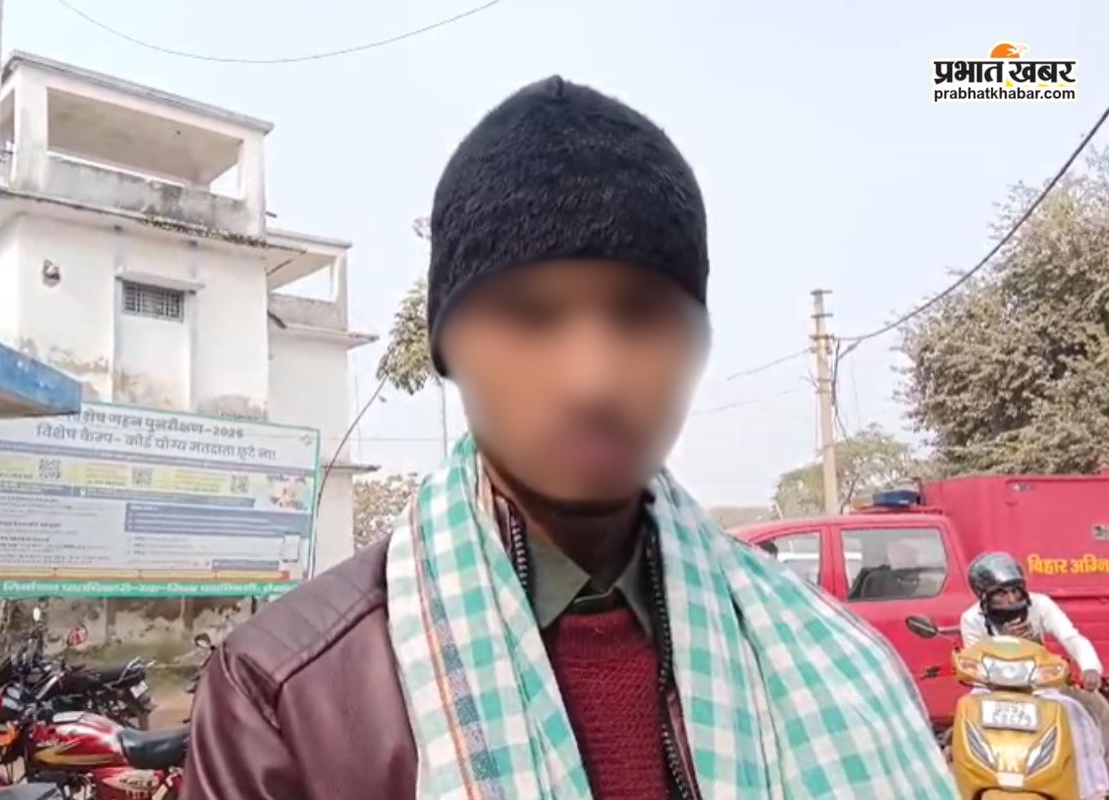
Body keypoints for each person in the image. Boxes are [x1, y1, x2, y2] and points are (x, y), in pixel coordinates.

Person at [183, 77, 953, 800]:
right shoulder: (284, 696)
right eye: (531, 316)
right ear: (449, 347)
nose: (592, 381)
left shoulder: (837, 660)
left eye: (640, 315)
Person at [960, 551, 1109, 799]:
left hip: (1041, 687)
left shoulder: (1041, 605)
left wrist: (1090, 667)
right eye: (1001, 593)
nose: (1011, 599)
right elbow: (974, 662)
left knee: (1078, 712)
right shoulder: (971, 619)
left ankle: (1092, 787)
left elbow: (1071, 637)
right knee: (966, 716)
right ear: (983, 595)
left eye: (1015, 591)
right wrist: (1006, 640)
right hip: (992, 690)